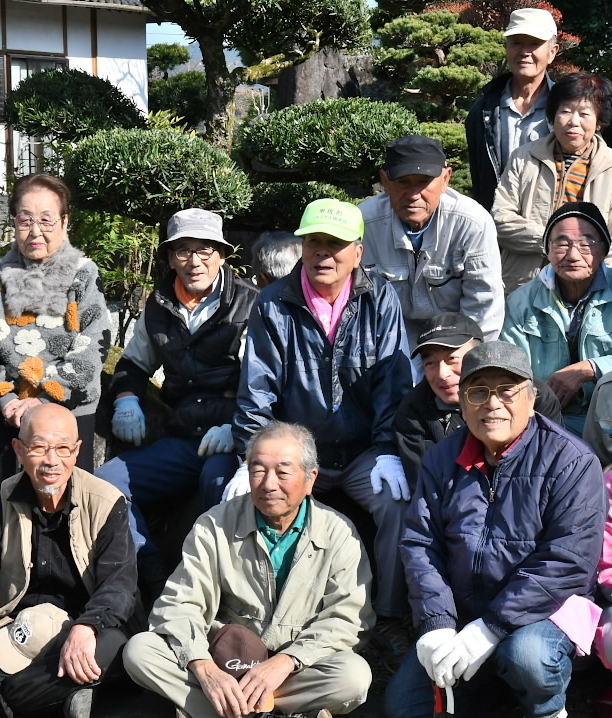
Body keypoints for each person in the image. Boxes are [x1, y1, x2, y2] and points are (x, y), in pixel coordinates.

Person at [225, 197, 413, 662]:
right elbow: (258, 390)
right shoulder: (274, 303)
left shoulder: (380, 299)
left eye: (335, 244)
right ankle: (263, 621)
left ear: (358, 251)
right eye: (313, 242)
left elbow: (394, 383)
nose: (323, 254)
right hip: (297, 449)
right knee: (261, 506)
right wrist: (252, 458)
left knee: (398, 505)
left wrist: (389, 447)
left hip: (363, 448)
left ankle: (387, 616)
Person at [386, 340, 605, 718]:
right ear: (462, 401)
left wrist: (491, 627)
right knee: (406, 707)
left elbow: (569, 561)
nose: (492, 403)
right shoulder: (442, 458)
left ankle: (547, 708)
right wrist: (437, 623)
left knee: (527, 658)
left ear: (532, 397)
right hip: (465, 610)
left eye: (507, 391)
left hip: (542, 614)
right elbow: (421, 544)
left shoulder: (572, 461)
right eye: (478, 391)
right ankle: (490, 691)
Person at [123, 422, 374, 718]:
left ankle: (228, 712)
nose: (268, 483)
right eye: (258, 470)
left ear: (310, 480)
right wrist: (204, 668)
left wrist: (286, 661)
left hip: (292, 673)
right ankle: (269, 712)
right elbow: (180, 604)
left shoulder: (339, 533)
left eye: (282, 472)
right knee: (140, 651)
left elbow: (347, 619)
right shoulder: (214, 525)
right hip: (223, 666)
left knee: (353, 677)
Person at [0, 404, 136, 718]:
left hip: (79, 632)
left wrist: (86, 626)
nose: (51, 461)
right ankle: (48, 698)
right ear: (19, 450)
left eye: (62, 448)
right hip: (16, 632)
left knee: (112, 648)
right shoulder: (2, 498)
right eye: (38, 447)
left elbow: (120, 587)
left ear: (77, 450)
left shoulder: (106, 501)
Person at [93, 208, 257, 594]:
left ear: (221, 254)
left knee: (219, 485)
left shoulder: (252, 306)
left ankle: (216, 594)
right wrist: (127, 399)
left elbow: (263, 385)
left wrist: (237, 429)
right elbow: (133, 362)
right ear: (169, 257)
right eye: (183, 251)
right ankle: (150, 579)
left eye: (205, 250)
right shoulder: (160, 304)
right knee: (107, 484)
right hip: (183, 435)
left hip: (229, 438)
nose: (194, 261)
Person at [0, 173, 111, 476]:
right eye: (25, 219)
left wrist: (43, 400)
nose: (35, 231)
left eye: (46, 220)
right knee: (12, 506)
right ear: (14, 221)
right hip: (12, 414)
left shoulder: (83, 274)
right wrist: (5, 400)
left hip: (70, 409)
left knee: (68, 504)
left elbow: (93, 346)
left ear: (64, 222)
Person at [360, 134, 504, 342]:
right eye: (402, 182)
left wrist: (464, 364)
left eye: (424, 182)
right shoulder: (363, 224)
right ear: (385, 181)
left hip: (455, 341)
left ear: (445, 179)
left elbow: (483, 309)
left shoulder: (472, 223)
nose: (413, 194)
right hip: (386, 340)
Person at [394, 312, 563, 485]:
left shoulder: (531, 394)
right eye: (430, 363)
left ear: (478, 355)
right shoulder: (413, 409)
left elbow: (553, 461)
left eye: (452, 359)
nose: (442, 374)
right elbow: (424, 485)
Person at [492, 71, 612, 293]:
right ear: (552, 115)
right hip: (524, 285)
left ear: (598, 123)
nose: (573, 121)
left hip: (593, 287)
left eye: (584, 114)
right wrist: (553, 242)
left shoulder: (610, 167)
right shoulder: (524, 157)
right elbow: (500, 218)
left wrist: (580, 258)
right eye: (565, 111)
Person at [499, 201, 612, 436]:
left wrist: (590, 368)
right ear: (547, 250)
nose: (572, 255)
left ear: (603, 250)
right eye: (561, 243)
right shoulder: (521, 301)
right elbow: (512, 371)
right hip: (547, 419)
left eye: (586, 243)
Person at [465, 8, 560, 211]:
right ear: (506, 47)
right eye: (516, 42)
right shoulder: (483, 111)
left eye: (534, 43)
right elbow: (479, 178)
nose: (524, 52)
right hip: (496, 229)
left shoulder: (566, 110)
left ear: (552, 53)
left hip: (553, 228)